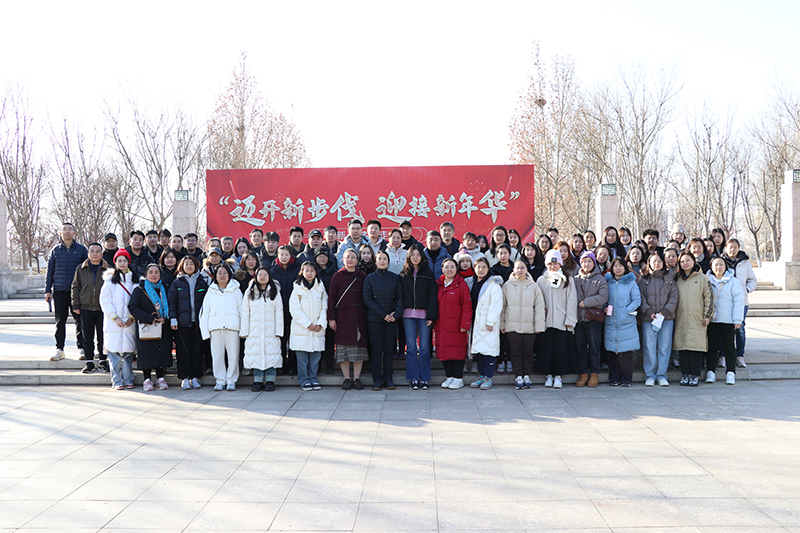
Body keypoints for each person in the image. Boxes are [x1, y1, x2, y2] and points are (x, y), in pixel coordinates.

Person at [535, 250, 578, 389]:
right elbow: (537, 299)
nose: (553, 266)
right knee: (546, 349)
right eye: (550, 264)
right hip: (546, 321)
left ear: (560, 263)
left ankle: (558, 375)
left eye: (555, 263)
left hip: (561, 320)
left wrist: (570, 320)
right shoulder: (541, 280)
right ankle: (548, 374)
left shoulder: (568, 279)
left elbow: (572, 301)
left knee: (560, 349)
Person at [46, 222, 88, 361]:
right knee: (60, 321)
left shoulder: (82, 250)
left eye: (70, 229)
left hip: (77, 292)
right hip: (59, 290)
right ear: (60, 233)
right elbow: (50, 271)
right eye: (64, 229)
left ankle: (81, 348)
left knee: (80, 321)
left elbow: (86, 270)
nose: (67, 231)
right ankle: (59, 349)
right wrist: (47, 290)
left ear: (74, 233)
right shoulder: (55, 250)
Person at [328, 248, 369, 390]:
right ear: (343, 260)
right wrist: (331, 318)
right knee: (343, 349)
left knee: (358, 349)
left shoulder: (362, 276)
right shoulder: (337, 276)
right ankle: (346, 378)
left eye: (353, 257)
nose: (350, 259)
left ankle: (357, 378)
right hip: (342, 317)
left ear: (357, 260)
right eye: (347, 257)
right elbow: (331, 298)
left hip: (358, 317)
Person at [501, 259, 546, 390]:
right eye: (518, 268)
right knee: (515, 352)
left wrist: (539, 325)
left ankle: (526, 375)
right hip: (512, 325)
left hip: (529, 326)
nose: (520, 270)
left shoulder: (533, 286)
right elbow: (503, 307)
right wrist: (502, 324)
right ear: (513, 269)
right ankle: (518, 376)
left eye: (522, 268)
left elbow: (539, 307)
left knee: (527, 352)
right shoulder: (507, 285)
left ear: (526, 269)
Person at [128, 264, 172, 391]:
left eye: (156, 272)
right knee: (147, 352)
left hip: (162, 326)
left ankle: (160, 377)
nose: (154, 275)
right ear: (146, 274)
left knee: (161, 351)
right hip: (146, 326)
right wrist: (149, 318)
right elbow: (133, 307)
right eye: (151, 272)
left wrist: (165, 319)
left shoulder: (164, 289)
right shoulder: (140, 290)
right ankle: (147, 379)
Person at [363, 250, 403, 390]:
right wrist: (383, 315)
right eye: (379, 259)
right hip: (375, 320)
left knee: (388, 350)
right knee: (376, 350)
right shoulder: (369, 278)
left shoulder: (395, 278)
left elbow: (400, 297)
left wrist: (395, 314)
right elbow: (367, 299)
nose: (382, 261)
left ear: (388, 261)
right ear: (375, 261)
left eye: (384, 259)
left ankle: (388, 378)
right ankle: (377, 379)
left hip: (391, 320)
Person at [400, 244, 438, 390]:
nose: (415, 257)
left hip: (424, 316)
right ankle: (413, 378)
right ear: (408, 257)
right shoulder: (404, 273)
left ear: (422, 257)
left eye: (418, 254)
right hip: (407, 315)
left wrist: (431, 315)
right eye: (413, 254)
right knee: (410, 347)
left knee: (424, 347)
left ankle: (425, 378)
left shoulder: (428, 273)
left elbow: (432, 296)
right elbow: (400, 295)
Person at [638, 251, 678, 387]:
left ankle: (661, 375)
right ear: (649, 263)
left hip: (666, 318)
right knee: (649, 347)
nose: (657, 264)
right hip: (648, 318)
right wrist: (649, 312)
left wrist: (664, 312)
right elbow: (641, 297)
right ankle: (650, 375)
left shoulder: (669, 278)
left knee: (664, 347)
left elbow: (674, 297)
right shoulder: (643, 279)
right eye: (654, 261)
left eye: (659, 261)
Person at [168, 255, 208, 391]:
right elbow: (172, 302)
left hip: (198, 323)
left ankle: (195, 377)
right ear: (182, 266)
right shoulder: (177, 283)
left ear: (196, 265)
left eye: (191, 263)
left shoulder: (203, 282)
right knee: (183, 351)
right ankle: (184, 378)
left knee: (197, 350)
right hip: (182, 323)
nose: (189, 266)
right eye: (186, 264)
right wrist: (173, 318)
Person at [673, 252, 714, 387]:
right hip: (681, 318)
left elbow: (709, 297)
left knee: (696, 348)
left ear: (693, 261)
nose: (685, 263)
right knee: (683, 348)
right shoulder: (677, 279)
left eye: (688, 260)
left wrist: (707, 315)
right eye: (682, 261)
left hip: (698, 318)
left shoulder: (703, 278)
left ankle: (695, 375)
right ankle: (685, 374)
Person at [242, 267, 285, 392]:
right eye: (259, 275)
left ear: (269, 277)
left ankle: (271, 380)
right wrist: (244, 331)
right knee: (255, 354)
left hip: (271, 330)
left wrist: (279, 331)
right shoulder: (250, 292)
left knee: (271, 354)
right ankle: (258, 380)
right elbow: (245, 312)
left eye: (265, 275)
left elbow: (279, 312)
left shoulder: (274, 291)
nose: (262, 277)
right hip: (254, 330)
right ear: (256, 277)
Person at [199, 264, 241, 391]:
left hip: (232, 328)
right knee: (217, 356)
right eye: (219, 273)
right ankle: (220, 380)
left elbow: (242, 310)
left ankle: (231, 380)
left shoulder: (236, 290)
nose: (222, 275)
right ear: (215, 276)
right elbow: (205, 312)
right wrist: (205, 331)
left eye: (225, 273)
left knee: (233, 356)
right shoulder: (211, 291)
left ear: (229, 275)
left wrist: (243, 329)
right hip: (215, 328)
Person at [99, 249, 137, 390]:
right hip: (113, 323)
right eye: (119, 260)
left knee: (128, 353)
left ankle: (128, 379)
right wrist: (114, 317)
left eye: (124, 260)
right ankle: (116, 380)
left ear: (128, 262)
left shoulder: (134, 281)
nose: (122, 263)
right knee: (113, 353)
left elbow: (137, 301)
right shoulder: (109, 281)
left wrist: (132, 317)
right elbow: (105, 301)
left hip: (129, 322)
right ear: (115, 263)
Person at [71, 243, 110, 373]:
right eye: (92, 251)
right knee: (87, 336)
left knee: (102, 336)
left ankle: (103, 360)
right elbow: (75, 287)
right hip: (85, 307)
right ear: (88, 254)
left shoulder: (108, 269)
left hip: (102, 308)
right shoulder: (80, 268)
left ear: (102, 254)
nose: (95, 254)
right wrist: (76, 304)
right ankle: (89, 361)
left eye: (97, 251)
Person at [288, 262, 327, 391]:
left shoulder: (320, 288)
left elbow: (325, 307)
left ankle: (313, 378)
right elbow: (295, 309)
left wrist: (320, 323)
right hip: (302, 329)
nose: (309, 273)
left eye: (312, 271)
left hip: (317, 328)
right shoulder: (297, 288)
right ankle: (304, 379)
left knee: (316, 357)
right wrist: (307, 324)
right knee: (302, 358)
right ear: (302, 272)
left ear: (316, 272)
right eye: (307, 270)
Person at [706, 256, 745, 385]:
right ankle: (710, 372)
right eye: (716, 265)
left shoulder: (733, 281)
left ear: (725, 266)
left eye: (721, 264)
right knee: (712, 347)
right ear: (711, 267)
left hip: (728, 320)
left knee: (729, 347)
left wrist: (737, 319)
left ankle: (730, 373)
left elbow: (739, 301)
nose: (718, 267)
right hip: (712, 321)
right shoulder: (706, 280)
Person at [434, 257, 471, 390]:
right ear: (442, 269)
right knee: (443, 350)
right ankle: (449, 376)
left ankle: (458, 377)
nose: (449, 270)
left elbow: (467, 306)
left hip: (457, 325)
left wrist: (465, 324)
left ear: (456, 269)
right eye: (446, 267)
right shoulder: (438, 284)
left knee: (457, 351)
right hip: (441, 324)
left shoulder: (462, 285)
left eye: (452, 267)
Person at [604, 257, 641, 387]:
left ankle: (626, 379)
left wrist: (626, 310)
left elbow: (637, 300)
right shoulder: (607, 282)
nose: (618, 268)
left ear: (625, 268)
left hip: (627, 321)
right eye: (615, 266)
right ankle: (614, 378)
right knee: (612, 351)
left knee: (627, 352)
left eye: (620, 265)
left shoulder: (631, 283)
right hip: (611, 320)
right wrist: (605, 307)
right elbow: (603, 297)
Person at [574, 251, 608, 388]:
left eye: (589, 261)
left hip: (593, 319)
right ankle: (583, 373)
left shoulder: (600, 279)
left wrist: (586, 302)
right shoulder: (576, 279)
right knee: (580, 348)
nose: (586, 264)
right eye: (584, 261)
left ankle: (594, 373)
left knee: (594, 347)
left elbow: (603, 297)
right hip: (579, 319)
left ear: (594, 263)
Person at [469, 257, 503, 390]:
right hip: (476, 322)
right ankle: (481, 376)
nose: (481, 270)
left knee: (489, 350)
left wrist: (491, 321)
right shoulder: (472, 282)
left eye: (484, 267)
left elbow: (496, 304)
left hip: (488, 323)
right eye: (478, 267)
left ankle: (488, 377)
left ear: (488, 269)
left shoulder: (493, 284)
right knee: (479, 351)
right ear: (474, 268)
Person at [723, 239, 757, 368]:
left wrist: (746, 290)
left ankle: (740, 356)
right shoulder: (721, 261)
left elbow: (752, 280)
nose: (732, 250)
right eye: (730, 247)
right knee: (724, 328)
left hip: (742, 301)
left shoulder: (745, 263)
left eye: (735, 247)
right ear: (725, 248)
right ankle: (723, 356)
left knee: (740, 329)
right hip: (725, 301)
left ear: (738, 249)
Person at [270, 245, 300, 375]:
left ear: (291, 256)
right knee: (280, 339)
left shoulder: (297, 270)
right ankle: (281, 365)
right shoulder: (272, 271)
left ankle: (293, 365)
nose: (284, 257)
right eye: (281, 254)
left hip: (294, 310)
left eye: (286, 254)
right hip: (278, 311)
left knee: (293, 338)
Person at [313, 247, 338, 375]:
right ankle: (317, 365)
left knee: (329, 338)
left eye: (324, 256)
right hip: (315, 309)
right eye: (319, 256)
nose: (322, 258)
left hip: (330, 307)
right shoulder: (312, 270)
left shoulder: (334, 271)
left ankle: (329, 365)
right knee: (317, 338)